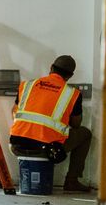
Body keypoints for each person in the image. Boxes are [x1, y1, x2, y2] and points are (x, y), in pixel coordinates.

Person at [10, 54, 93, 193]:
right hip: (47, 150)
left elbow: (14, 112)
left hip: (16, 145)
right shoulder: (73, 94)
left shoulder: (28, 85)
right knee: (85, 134)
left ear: (51, 67)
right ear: (70, 76)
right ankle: (72, 181)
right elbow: (76, 124)